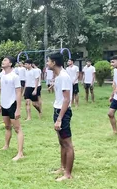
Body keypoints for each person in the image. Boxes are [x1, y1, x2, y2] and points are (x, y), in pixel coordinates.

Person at [46, 52, 74, 182]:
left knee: (67, 144)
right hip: (57, 109)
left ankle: (68, 174)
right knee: (61, 142)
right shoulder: (58, 76)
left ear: (54, 62)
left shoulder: (63, 77)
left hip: (63, 112)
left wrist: (59, 119)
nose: (47, 63)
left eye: (48, 61)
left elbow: (66, 100)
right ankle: (62, 168)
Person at [0, 57, 24, 161]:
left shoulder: (15, 76)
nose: (2, 62)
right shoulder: (2, 75)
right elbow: (3, 91)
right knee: (7, 126)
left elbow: (18, 92)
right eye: (2, 60)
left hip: (12, 104)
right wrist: (0, 104)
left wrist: (18, 108)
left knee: (17, 128)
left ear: (10, 63)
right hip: (4, 104)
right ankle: (6, 145)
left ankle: (20, 153)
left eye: (5, 60)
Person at [108, 55, 117, 135]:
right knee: (110, 114)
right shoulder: (115, 71)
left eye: (113, 62)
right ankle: (115, 131)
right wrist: (112, 95)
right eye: (111, 62)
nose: (111, 64)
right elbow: (115, 83)